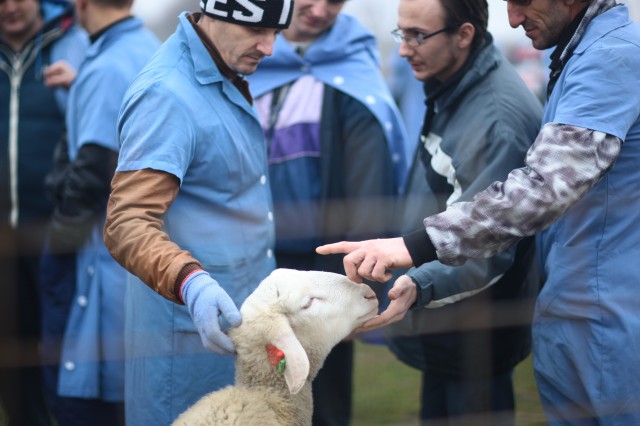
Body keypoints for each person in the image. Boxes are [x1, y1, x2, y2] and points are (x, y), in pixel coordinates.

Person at [318, 0, 640, 423]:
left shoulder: (609, 59)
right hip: (579, 301)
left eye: (524, 1)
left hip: (602, 312)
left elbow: (544, 188)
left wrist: (416, 247)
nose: (513, 18)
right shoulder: (580, 54)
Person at [102, 0, 293, 424]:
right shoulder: (166, 94)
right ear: (216, 12)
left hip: (237, 329)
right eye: (257, 30)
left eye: (278, 31)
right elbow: (127, 223)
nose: (270, 47)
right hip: (188, 346)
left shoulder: (225, 65)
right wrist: (189, 282)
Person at [375, 0, 543, 424]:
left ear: (464, 35)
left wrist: (417, 283)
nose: (403, 49)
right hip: (444, 313)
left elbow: (491, 247)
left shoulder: (495, 120)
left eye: (417, 35)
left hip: (474, 331)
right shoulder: (454, 81)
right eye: (401, 33)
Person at [247, 1, 409, 424]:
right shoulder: (250, 57)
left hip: (323, 263)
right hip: (253, 254)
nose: (320, 10)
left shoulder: (353, 67)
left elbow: (368, 185)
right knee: (260, 386)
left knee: (323, 393)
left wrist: (349, 278)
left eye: (335, 0)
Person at [38, 0, 160, 424]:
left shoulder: (106, 66)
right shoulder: (149, 46)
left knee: (81, 397)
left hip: (99, 250)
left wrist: (58, 250)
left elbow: (93, 170)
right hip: (140, 246)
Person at [0, 0, 86, 423]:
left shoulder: (74, 42)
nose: (11, 7)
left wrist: (79, 86)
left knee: (63, 348)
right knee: (11, 353)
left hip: (57, 232)